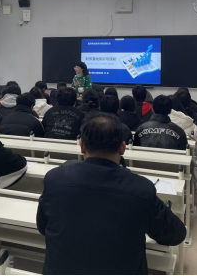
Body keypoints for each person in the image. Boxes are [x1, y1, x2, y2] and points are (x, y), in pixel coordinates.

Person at [37, 114, 186, 274]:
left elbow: (43, 226)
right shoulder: (142, 188)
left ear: (82, 146)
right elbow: (175, 234)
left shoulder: (54, 178)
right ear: (122, 148)